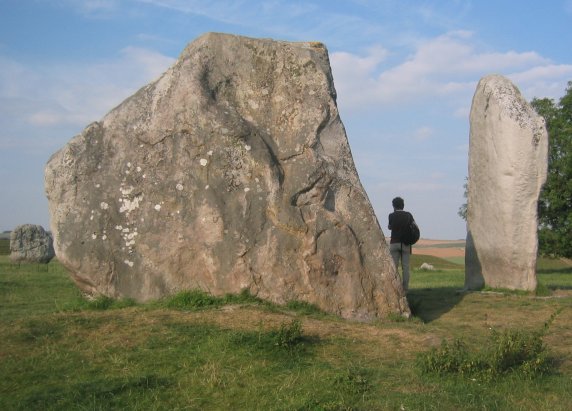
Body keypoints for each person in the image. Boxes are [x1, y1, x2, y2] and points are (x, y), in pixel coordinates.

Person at [388, 196, 415, 291]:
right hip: (406, 243)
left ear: (393, 206)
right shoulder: (408, 215)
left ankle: (394, 288)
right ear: (403, 205)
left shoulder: (391, 215)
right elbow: (414, 226)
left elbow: (390, 227)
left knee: (394, 267)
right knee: (406, 268)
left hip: (394, 243)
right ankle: (405, 289)